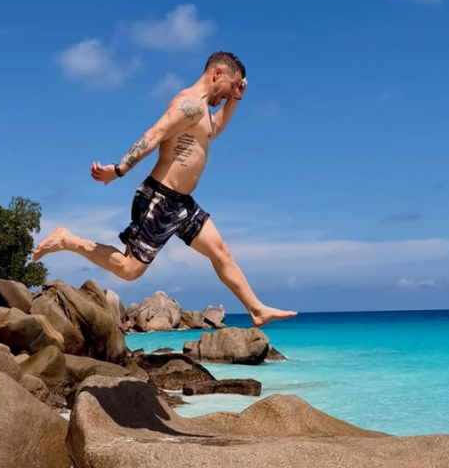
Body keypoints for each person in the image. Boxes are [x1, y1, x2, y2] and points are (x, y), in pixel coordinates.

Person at [33, 51, 296, 328]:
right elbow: (155, 133)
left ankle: (256, 309)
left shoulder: (204, 112)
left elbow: (214, 129)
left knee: (220, 252)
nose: (231, 92)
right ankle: (67, 240)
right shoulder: (189, 104)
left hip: (182, 203)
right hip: (159, 199)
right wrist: (119, 170)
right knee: (129, 269)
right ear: (217, 74)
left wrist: (236, 99)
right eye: (232, 85)